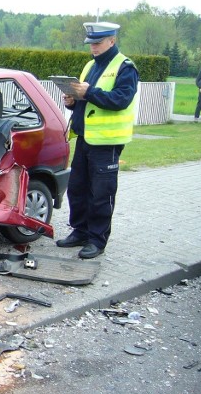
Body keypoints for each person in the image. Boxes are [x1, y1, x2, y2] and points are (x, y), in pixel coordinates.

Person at [56, 21, 139, 259]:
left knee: (101, 193)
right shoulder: (90, 65)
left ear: (112, 40)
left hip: (107, 143)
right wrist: (72, 101)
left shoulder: (125, 67)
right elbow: (87, 100)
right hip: (85, 138)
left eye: (98, 42)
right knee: (77, 189)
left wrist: (88, 93)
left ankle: (97, 240)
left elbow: (120, 100)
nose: (93, 47)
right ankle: (80, 231)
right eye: (91, 43)